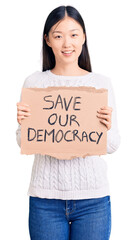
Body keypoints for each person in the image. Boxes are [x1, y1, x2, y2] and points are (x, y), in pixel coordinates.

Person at [16, 5, 121, 240]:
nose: (67, 44)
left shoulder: (100, 83)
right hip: (45, 201)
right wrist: (23, 123)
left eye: (74, 34)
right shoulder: (34, 82)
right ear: (47, 40)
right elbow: (24, 141)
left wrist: (106, 127)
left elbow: (113, 145)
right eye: (58, 35)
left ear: (83, 37)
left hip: (93, 201)